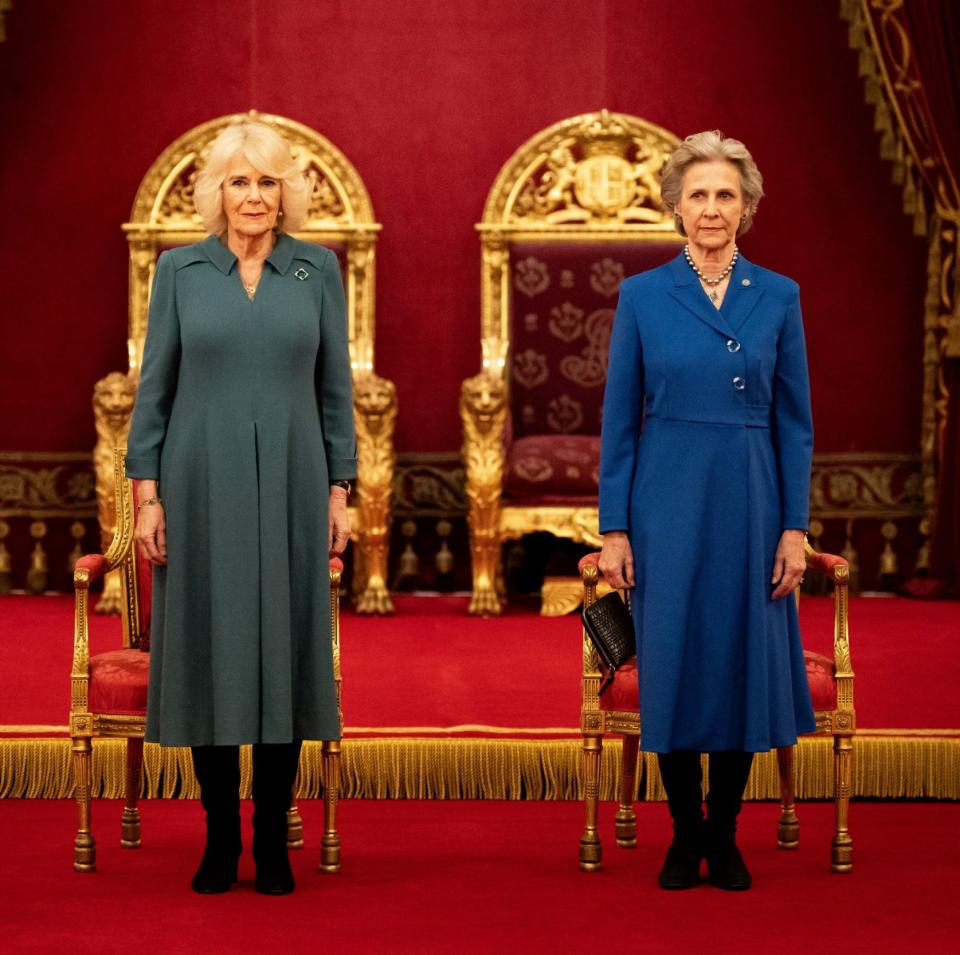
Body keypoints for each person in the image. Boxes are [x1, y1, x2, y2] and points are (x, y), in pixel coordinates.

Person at [126, 120, 356, 895]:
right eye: (239, 181)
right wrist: (146, 494)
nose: (254, 196)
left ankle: (274, 840)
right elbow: (153, 386)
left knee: (283, 654)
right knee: (213, 652)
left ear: (287, 192)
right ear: (216, 192)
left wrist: (341, 489)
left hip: (296, 479)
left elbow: (335, 390)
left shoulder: (316, 269)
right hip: (198, 479)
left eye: (267, 182)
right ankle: (219, 837)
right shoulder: (179, 271)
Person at [598, 130, 815, 891]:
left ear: (747, 207)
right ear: (676, 206)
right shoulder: (644, 296)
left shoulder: (779, 295)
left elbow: (796, 421)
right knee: (676, 662)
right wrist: (615, 528)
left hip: (752, 499)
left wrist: (795, 526)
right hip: (667, 500)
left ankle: (724, 832)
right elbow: (620, 418)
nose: (712, 208)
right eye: (699, 195)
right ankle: (681, 828)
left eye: (727, 195)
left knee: (737, 663)